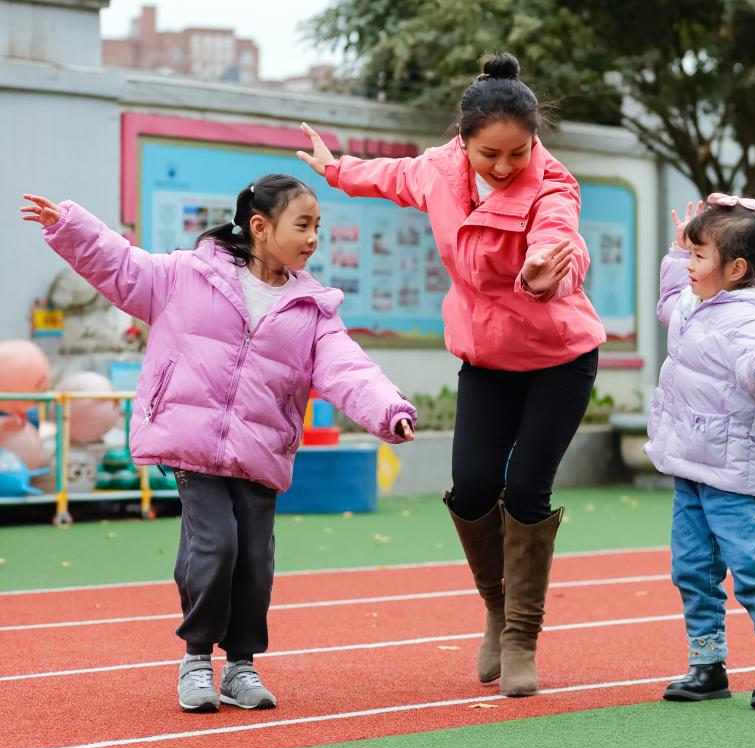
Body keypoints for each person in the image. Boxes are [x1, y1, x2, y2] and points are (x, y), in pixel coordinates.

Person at [21, 175, 416, 713]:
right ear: (259, 227)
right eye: (303, 225)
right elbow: (122, 265)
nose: (313, 238)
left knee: (255, 559)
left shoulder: (313, 308)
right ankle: (197, 658)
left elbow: (349, 369)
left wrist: (389, 410)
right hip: (192, 444)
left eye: (317, 227)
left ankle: (242, 666)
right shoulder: (186, 274)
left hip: (259, 450)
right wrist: (70, 225)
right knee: (216, 545)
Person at [297, 52, 606, 697]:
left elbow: (563, 240)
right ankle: (496, 608)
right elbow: (389, 176)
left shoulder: (554, 185)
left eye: (517, 153)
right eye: (489, 153)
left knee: (525, 488)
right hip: (487, 358)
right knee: (470, 488)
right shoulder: (438, 171)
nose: (503, 166)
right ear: (461, 141)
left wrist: (554, 270)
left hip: (558, 358)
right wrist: (335, 171)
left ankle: (521, 636)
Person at [647, 194, 755, 709]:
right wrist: (679, 257)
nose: (690, 266)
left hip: (735, 467)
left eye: (699, 257)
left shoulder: (752, 320)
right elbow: (669, 306)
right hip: (693, 461)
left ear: (736, 268)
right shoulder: (701, 303)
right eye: (690, 256)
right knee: (692, 568)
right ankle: (707, 664)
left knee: (753, 567)